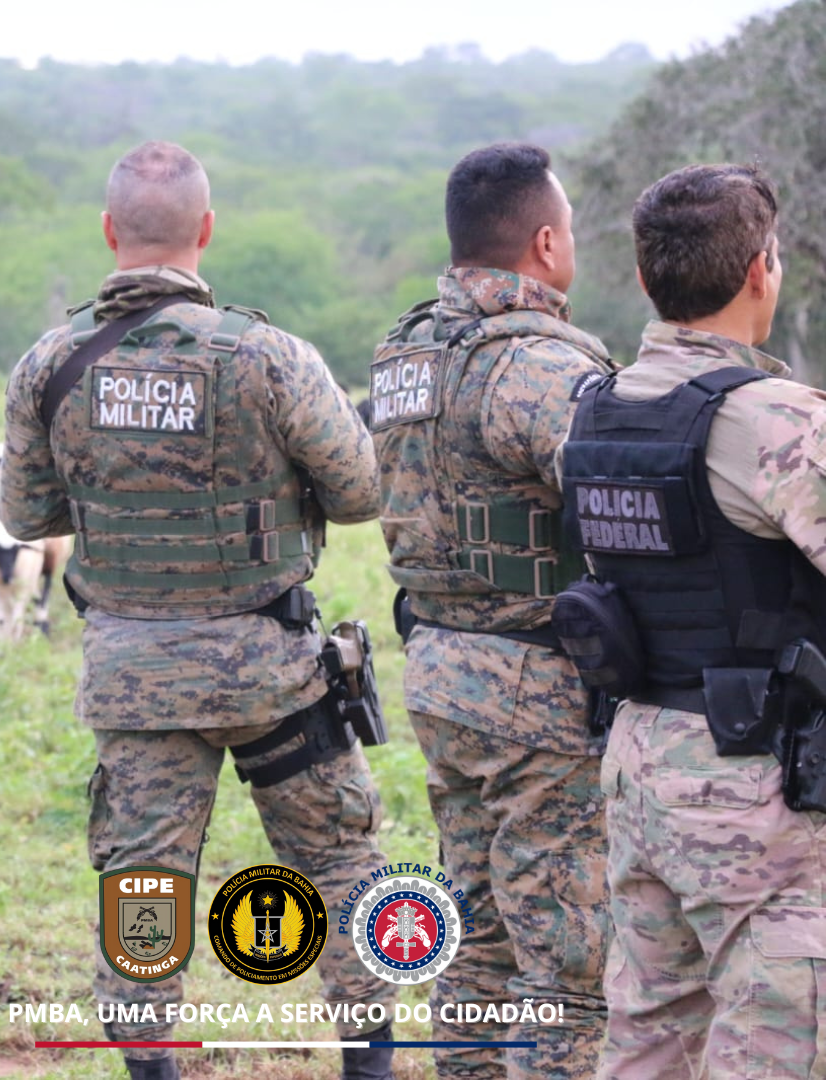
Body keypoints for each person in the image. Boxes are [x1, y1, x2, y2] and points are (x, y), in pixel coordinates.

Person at [0, 141, 396, 1080]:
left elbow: (24, 515)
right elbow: (358, 491)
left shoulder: (49, 364)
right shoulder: (271, 357)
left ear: (109, 232)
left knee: (144, 885)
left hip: (136, 678)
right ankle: (372, 1066)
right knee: (341, 866)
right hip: (272, 671)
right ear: (206, 231)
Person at [558, 163, 826, 1080]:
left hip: (639, 771)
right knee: (776, 1044)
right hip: (759, 788)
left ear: (644, 280)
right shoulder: (775, 422)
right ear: (763, 271)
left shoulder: (593, 414)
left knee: (649, 1036)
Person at [369, 142, 612, 1080]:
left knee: (473, 936)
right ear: (546, 244)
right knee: (565, 963)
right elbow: (628, 505)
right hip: (536, 690)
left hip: (439, 674)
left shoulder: (405, 351)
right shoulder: (539, 365)